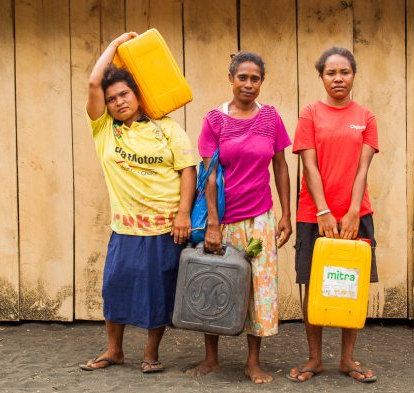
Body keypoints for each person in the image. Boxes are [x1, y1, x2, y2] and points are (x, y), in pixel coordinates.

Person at [80, 32, 197, 374]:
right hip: (125, 228)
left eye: (124, 94)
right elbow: (92, 83)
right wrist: (115, 48)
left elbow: (187, 170)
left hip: (165, 227)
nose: (118, 102)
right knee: (115, 288)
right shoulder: (104, 130)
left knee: (157, 293)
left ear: (137, 95)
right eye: (112, 98)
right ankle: (114, 350)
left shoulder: (167, 128)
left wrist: (183, 214)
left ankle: (151, 354)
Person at [186, 51, 292, 384]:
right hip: (225, 218)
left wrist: (286, 213)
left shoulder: (272, 118)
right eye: (242, 77)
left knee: (259, 288)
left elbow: (281, 166)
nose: (248, 84)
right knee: (213, 282)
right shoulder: (214, 120)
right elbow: (210, 176)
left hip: (260, 218)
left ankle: (252, 362)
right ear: (231, 79)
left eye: (255, 78)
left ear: (262, 82)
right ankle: (211, 358)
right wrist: (213, 225)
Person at [287, 47, 379, 383]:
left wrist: (353, 211)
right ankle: (314, 359)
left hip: (357, 213)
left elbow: (362, 168)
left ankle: (347, 360)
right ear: (322, 77)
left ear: (353, 74)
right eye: (331, 73)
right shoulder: (310, 113)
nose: (338, 78)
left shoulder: (366, 117)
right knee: (313, 286)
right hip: (314, 214)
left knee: (350, 286)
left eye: (344, 72)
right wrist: (323, 210)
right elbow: (308, 165)